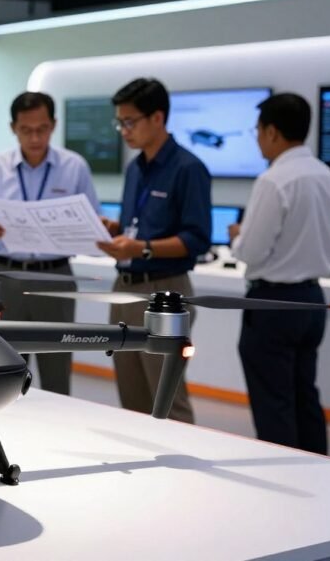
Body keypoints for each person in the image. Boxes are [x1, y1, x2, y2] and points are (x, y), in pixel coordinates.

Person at [228, 93, 330, 454]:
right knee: (305, 395)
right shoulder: (328, 176)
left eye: (258, 131)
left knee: (273, 402)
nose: (258, 139)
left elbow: (251, 251)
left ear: (272, 132)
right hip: (312, 299)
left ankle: (283, 478)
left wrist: (238, 237)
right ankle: (317, 470)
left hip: (272, 302)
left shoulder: (274, 180)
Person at [0, 91, 100, 395]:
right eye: (26, 130)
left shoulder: (74, 167)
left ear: (54, 125)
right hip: (6, 276)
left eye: (42, 129)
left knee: (57, 369)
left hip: (56, 277)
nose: (35, 138)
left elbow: (92, 220)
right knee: (3, 368)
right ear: (13, 128)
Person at [97, 78, 211, 424]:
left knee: (167, 396)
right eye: (120, 123)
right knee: (131, 394)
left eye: (130, 122)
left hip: (165, 291)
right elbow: (136, 226)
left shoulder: (188, 168)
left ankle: (182, 456)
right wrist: (115, 230)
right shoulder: (135, 169)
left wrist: (142, 248)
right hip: (124, 288)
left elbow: (197, 239)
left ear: (157, 118)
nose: (124, 131)